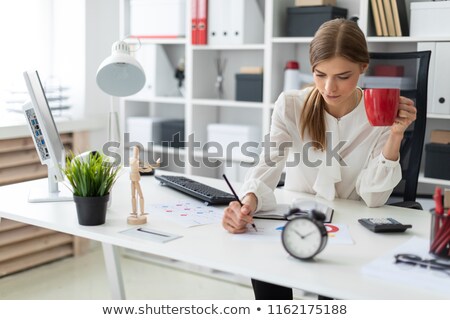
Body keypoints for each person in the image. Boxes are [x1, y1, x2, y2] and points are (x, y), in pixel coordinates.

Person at [221, 19, 417, 299]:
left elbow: (373, 197)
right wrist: (248, 200)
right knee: (265, 270)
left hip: (350, 228)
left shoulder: (379, 113)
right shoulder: (291, 104)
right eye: (320, 74)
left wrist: (396, 135)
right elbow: (268, 161)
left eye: (343, 76)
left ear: (364, 67)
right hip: (293, 217)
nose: (329, 88)